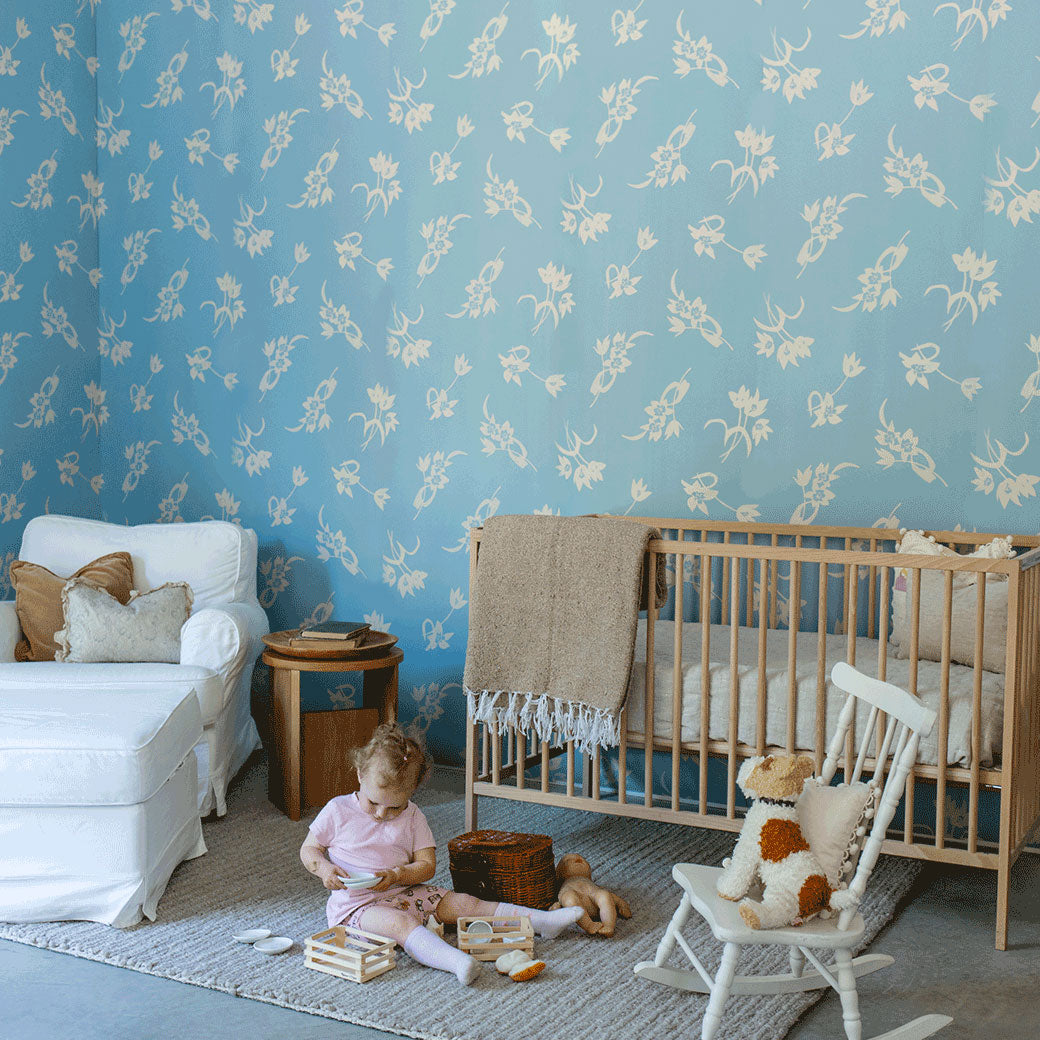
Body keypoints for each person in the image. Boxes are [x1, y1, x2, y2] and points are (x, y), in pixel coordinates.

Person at [300, 723, 583, 985]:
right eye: (373, 802)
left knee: (467, 903)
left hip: (406, 890)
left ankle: (543, 922)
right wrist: (323, 868)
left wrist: (398, 875)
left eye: (395, 807)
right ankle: (457, 961)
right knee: (400, 923)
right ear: (360, 775)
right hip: (356, 908)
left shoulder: (412, 816)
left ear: (412, 791)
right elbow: (309, 849)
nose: (381, 814)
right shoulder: (338, 810)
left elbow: (427, 866)